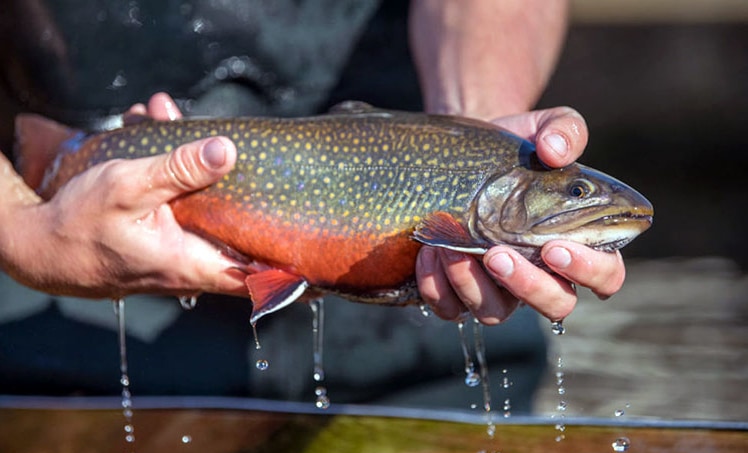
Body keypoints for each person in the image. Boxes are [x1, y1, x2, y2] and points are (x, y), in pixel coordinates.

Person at [0, 0, 624, 406]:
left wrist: (479, 127)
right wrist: (20, 231)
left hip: (420, 370)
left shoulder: (492, 175)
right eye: (574, 192)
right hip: (49, 347)